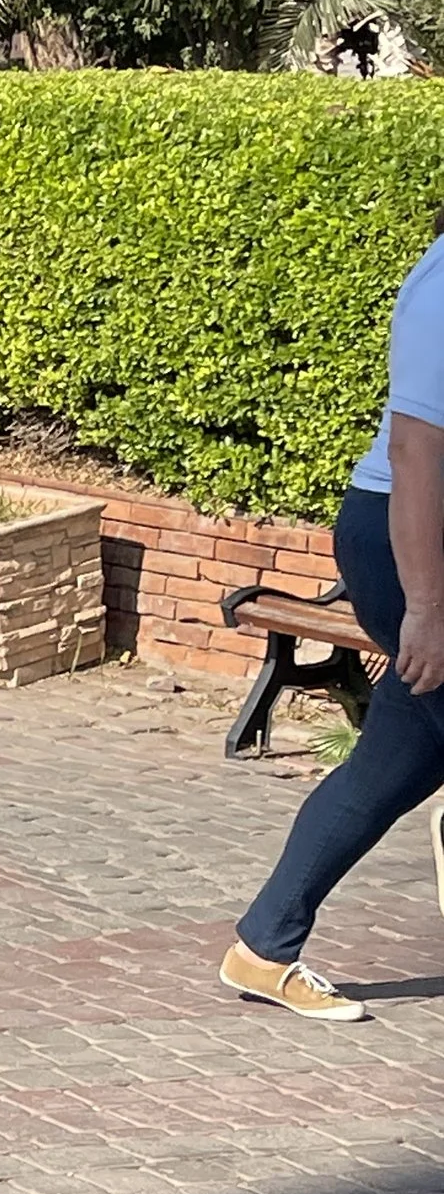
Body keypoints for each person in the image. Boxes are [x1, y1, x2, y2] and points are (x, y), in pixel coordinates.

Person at [226, 227, 444, 1021]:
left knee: (401, 754)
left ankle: (264, 944)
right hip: (407, 541)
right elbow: (419, 450)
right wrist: (425, 607)